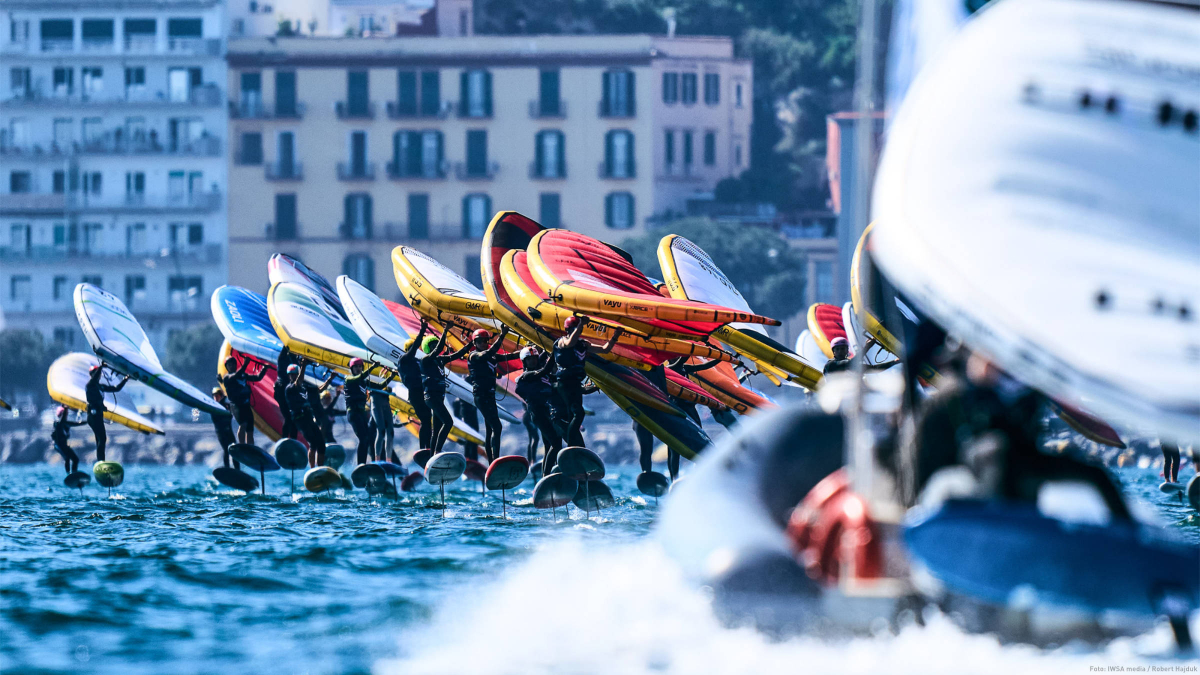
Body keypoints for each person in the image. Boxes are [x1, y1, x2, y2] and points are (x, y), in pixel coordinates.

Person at [445, 327, 518, 463]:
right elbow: (488, 353)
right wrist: (502, 335)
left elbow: (511, 356)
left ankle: (491, 461)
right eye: (480, 341)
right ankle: (496, 459)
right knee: (498, 427)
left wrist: (529, 352)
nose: (483, 343)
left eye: (485, 341)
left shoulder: (491, 355)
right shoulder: (474, 356)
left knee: (490, 430)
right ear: (475, 343)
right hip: (481, 397)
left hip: (489, 396)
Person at [553, 316, 621, 448]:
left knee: (576, 414)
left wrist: (615, 336)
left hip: (575, 383)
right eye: (573, 329)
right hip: (564, 382)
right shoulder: (562, 341)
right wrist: (580, 325)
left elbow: (604, 349)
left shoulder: (583, 344)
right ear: (568, 330)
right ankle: (571, 443)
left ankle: (572, 444)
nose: (576, 332)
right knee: (577, 413)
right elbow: (569, 344)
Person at [515, 346, 562, 475]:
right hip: (538, 413)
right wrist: (555, 351)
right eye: (530, 359)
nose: (533, 361)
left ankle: (547, 475)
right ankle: (547, 475)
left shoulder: (543, 375)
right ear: (524, 362)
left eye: (535, 358)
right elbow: (545, 369)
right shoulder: (528, 375)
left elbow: (554, 377)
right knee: (556, 443)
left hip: (546, 412)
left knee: (549, 444)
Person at [420, 331, 459, 455]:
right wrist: (446, 330)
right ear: (428, 348)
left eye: (436, 344)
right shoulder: (425, 360)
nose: (435, 347)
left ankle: (432, 456)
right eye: (433, 345)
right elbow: (438, 349)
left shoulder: (440, 360)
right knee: (448, 422)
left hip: (439, 397)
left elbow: (459, 354)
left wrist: (470, 345)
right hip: (431, 397)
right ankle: (437, 451)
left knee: (436, 429)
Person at [397, 321, 432, 457]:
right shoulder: (404, 359)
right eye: (412, 347)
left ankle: (428, 447)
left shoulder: (418, 361)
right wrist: (422, 330)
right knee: (424, 419)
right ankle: (423, 448)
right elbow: (415, 346)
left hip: (423, 392)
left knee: (428, 420)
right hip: (415, 393)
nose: (415, 349)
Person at [85, 364, 129, 462]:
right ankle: (101, 462)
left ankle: (100, 461)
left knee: (100, 440)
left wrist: (126, 379)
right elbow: (95, 378)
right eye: (96, 373)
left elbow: (116, 388)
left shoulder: (101, 386)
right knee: (102, 439)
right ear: (92, 374)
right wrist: (101, 367)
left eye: (99, 373)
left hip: (98, 416)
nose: (98, 375)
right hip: (93, 416)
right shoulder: (90, 385)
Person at [286, 362, 327, 467]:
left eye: (295, 374)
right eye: (291, 375)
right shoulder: (290, 388)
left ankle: (320, 468)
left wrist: (330, 378)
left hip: (308, 417)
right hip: (300, 419)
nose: (293, 376)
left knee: (321, 444)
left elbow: (319, 390)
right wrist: (303, 366)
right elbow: (298, 382)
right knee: (313, 443)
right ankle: (312, 468)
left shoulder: (304, 387)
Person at [219, 355, 266, 445]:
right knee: (243, 424)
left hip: (246, 405)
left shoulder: (243, 375)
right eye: (229, 365)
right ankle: (241, 444)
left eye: (233, 364)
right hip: (236, 406)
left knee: (250, 428)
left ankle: (250, 447)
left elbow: (258, 378)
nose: (231, 366)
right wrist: (245, 364)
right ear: (227, 367)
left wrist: (264, 369)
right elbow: (236, 375)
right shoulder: (227, 378)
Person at [343, 358, 378, 466]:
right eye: (356, 367)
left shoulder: (363, 381)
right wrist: (372, 367)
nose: (358, 369)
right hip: (353, 413)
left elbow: (379, 386)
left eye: (360, 367)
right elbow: (360, 377)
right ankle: (360, 465)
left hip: (362, 414)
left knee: (369, 438)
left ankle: (373, 463)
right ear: (351, 368)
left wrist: (391, 377)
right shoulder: (348, 379)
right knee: (363, 439)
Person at [369, 368, 398, 463]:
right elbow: (380, 385)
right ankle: (377, 460)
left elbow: (388, 387)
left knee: (390, 432)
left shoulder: (384, 378)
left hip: (385, 403)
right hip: (376, 404)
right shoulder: (370, 378)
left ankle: (388, 460)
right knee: (381, 431)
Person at [210, 388, 241, 470]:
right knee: (226, 450)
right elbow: (217, 419)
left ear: (221, 396)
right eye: (214, 396)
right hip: (220, 432)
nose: (216, 398)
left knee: (234, 449)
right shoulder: (213, 407)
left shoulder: (226, 405)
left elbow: (231, 415)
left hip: (229, 431)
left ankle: (238, 470)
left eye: (217, 396)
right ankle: (227, 468)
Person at [304, 369, 337, 443]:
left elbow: (321, 389)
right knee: (323, 422)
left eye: (328, 399)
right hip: (317, 418)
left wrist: (330, 379)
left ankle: (320, 440)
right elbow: (321, 389)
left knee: (323, 422)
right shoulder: (308, 392)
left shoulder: (312, 391)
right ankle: (320, 440)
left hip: (327, 434)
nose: (328, 400)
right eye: (326, 399)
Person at [50, 406, 86, 475]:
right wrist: (65, 408)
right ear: (61, 415)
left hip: (64, 445)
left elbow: (78, 423)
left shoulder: (66, 423)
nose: (66, 415)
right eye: (65, 414)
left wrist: (89, 421)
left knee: (75, 460)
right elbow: (62, 420)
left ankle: (74, 474)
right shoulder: (58, 424)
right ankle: (68, 474)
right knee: (67, 458)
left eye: (66, 414)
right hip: (58, 445)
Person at [274, 347, 299, 440]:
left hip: (291, 393)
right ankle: (284, 439)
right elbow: (285, 349)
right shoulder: (282, 359)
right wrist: (289, 343)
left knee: (293, 419)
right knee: (288, 418)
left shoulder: (294, 361)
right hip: (281, 392)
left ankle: (293, 440)